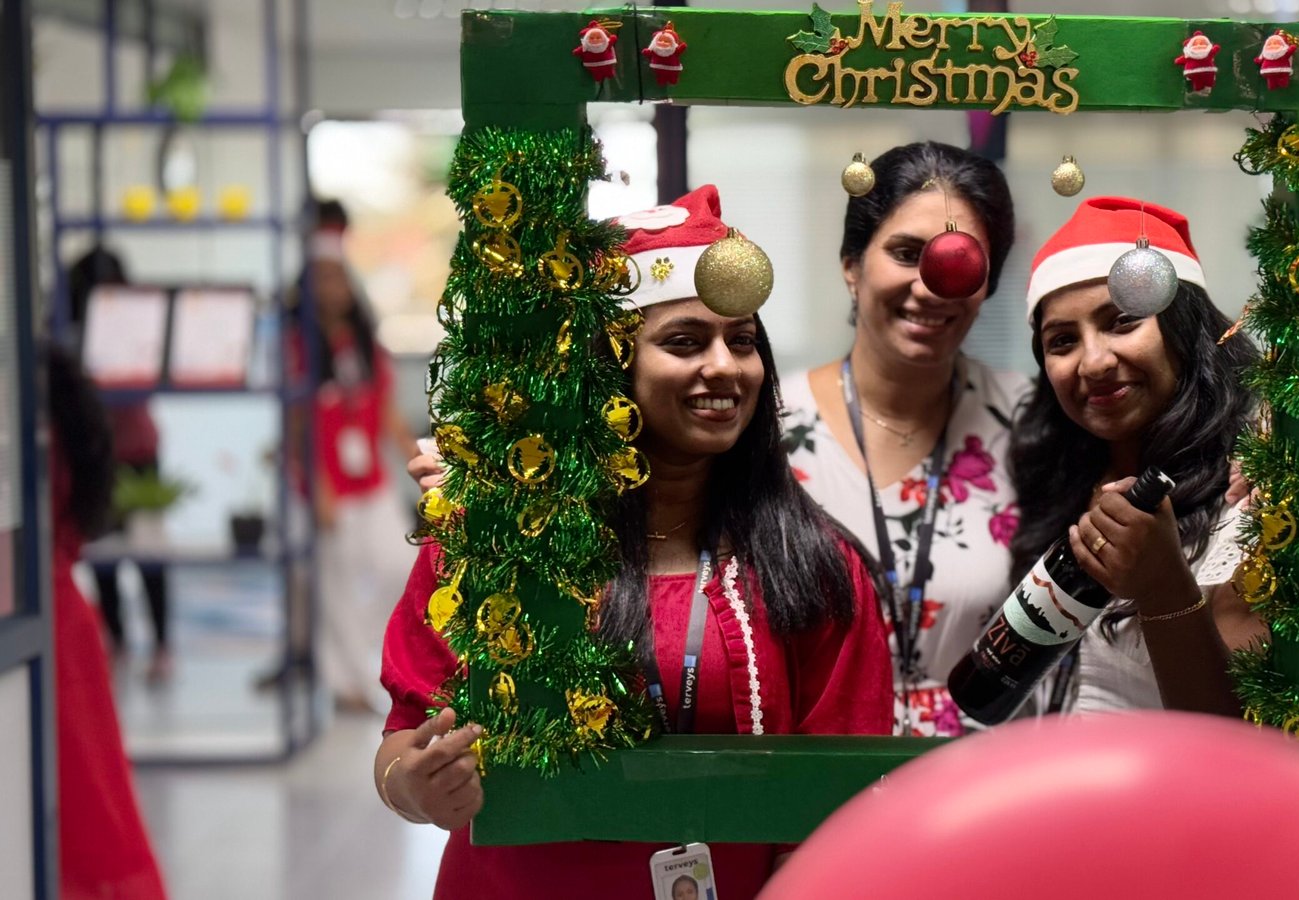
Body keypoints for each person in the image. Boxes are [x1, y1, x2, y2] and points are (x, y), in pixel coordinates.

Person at [374, 186, 893, 899]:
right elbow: (403, 741)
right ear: (604, 367)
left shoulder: (812, 563)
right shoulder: (499, 546)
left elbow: (841, 793)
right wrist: (416, 787)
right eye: (684, 342)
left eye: (742, 341)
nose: (725, 366)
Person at [780, 142, 1028, 737]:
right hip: (812, 772)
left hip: (984, 775)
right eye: (906, 253)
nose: (932, 285)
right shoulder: (768, 427)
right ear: (852, 264)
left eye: (960, 261)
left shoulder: (1031, 419)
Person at [1007, 196, 1265, 715]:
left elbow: (1239, 739)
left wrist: (1162, 582)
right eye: (1063, 341)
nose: (1094, 362)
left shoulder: (1249, 498)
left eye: (1122, 321)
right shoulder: (1058, 478)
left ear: (1185, 330)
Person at [283, 199, 421, 714]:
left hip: (372, 482)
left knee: (398, 566)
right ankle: (344, 684)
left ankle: (374, 659)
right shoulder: (296, 345)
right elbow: (294, 424)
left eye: (338, 277)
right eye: (321, 278)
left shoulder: (363, 340)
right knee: (336, 586)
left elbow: (386, 410)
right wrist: (315, 484)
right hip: (327, 487)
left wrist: (417, 461)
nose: (332, 289)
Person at [45, 344, 169, 899]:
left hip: (55, 627)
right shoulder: (56, 391)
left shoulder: (42, 400)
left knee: (87, 800)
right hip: (62, 619)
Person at [66, 246, 172, 683]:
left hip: (137, 452)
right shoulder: (74, 330)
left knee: (148, 552)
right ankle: (120, 641)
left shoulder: (134, 324)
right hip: (97, 454)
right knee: (105, 554)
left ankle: (160, 646)